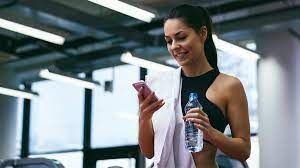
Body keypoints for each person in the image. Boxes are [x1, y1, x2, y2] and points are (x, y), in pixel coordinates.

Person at [137, 4, 251, 168]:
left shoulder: (229, 86)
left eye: (181, 37)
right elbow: (149, 152)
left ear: (202, 33)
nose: (174, 46)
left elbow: (244, 150)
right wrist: (144, 118)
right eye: (169, 41)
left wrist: (210, 132)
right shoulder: (160, 85)